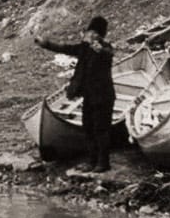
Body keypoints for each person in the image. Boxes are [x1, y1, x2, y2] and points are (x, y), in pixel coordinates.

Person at [34, 16, 115, 173]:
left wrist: (101, 49)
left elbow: (109, 54)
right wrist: (46, 44)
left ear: (98, 35)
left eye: (90, 33)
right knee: (88, 128)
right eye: (87, 32)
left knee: (101, 130)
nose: (86, 35)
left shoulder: (104, 48)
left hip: (104, 97)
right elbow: (65, 48)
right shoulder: (83, 49)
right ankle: (92, 161)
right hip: (90, 96)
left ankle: (103, 163)